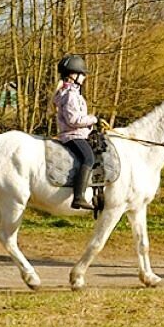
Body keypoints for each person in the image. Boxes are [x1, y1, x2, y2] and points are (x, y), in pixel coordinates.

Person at [53, 54, 100, 210]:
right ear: (73, 76)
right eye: (83, 74)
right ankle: (78, 197)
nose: (85, 77)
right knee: (88, 159)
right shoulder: (71, 95)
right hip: (73, 135)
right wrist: (93, 119)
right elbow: (73, 120)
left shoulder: (71, 93)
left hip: (78, 134)